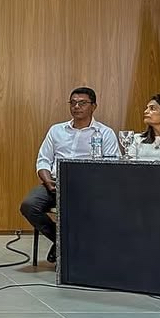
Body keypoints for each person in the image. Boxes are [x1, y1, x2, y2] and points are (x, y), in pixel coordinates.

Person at [21, 86, 119, 263]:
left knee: (83, 207)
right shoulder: (56, 130)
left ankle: (68, 246)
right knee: (29, 205)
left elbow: (112, 165)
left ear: (94, 106)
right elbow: (43, 160)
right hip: (55, 183)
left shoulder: (105, 133)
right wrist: (48, 181)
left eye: (82, 103)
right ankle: (62, 241)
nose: (76, 106)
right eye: (73, 103)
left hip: (89, 188)